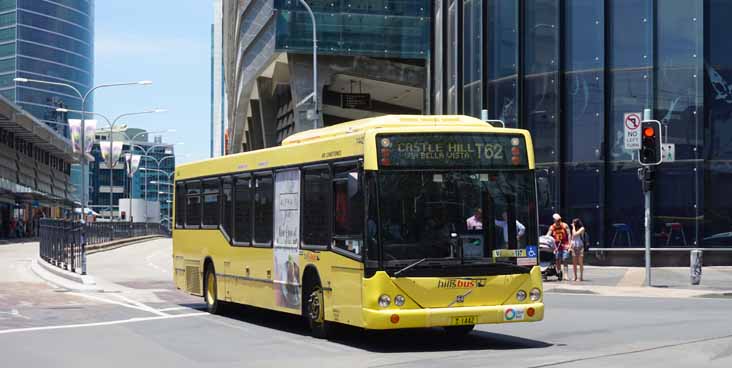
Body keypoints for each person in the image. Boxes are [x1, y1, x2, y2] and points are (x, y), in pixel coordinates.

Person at [546, 213, 570, 281]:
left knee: (565, 260)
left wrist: (569, 244)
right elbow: (548, 235)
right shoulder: (552, 227)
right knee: (557, 260)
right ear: (554, 220)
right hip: (556, 246)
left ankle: (566, 275)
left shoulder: (565, 225)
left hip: (565, 244)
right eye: (557, 220)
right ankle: (559, 273)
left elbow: (569, 235)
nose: (559, 221)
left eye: (559, 220)